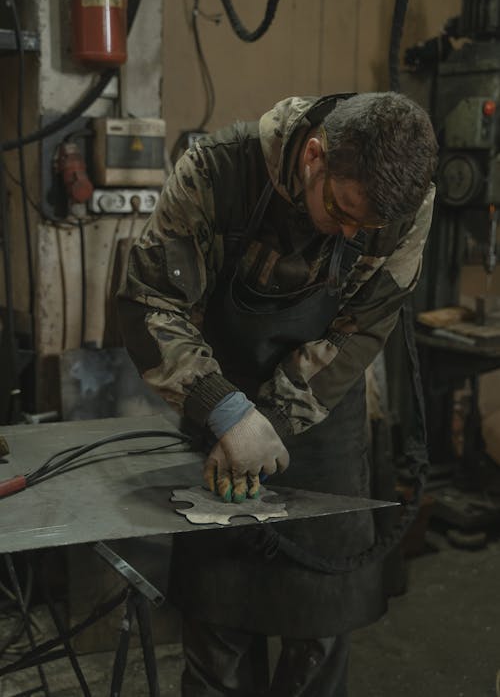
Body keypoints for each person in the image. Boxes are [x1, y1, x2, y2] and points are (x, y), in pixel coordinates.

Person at [117, 91, 438, 696]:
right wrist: (226, 410)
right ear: (314, 156)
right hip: (217, 400)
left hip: (321, 412)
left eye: (362, 228)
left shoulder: (405, 203)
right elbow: (152, 300)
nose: (347, 234)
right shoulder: (218, 171)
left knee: (318, 630)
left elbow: (362, 325)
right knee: (220, 626)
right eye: (340, 212)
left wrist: (277, 417)